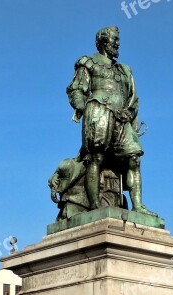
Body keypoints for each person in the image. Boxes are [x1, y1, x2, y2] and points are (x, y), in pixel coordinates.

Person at [66, 26, 154, 215]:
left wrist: (130, 115)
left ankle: (138, 206)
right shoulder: (89, 62)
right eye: (114, 40)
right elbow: (76, 89)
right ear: (103, 42)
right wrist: (83, 108)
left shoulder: (124, 70)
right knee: (96, 157)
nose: (117, 44)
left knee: (134, 158)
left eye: (117, 40)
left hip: (122, 117)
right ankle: (95, 206)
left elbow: (133, 97)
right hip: (99, 113)